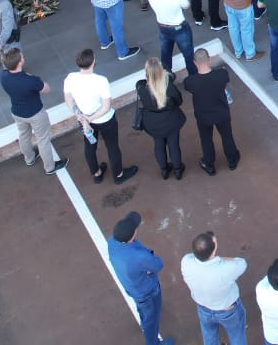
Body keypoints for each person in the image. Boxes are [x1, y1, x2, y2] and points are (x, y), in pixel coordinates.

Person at [64, 48, 137, 185]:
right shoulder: (101, 81)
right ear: (93, 62)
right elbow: (106, 107)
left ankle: (96, 174)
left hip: (84, 121)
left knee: (90, 146)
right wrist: (89, 119)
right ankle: (118, 175)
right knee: (112, 146)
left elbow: (68, 99)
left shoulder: (70, 78)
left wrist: (83, 118)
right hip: (105, 120)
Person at [107, 212, 173, 345]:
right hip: (147, 292)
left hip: (132, 288)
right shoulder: (139, 256)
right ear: (132, 235)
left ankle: (144, 320)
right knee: (151, 320)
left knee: (143, 310)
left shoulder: (112, 241)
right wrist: (147, 269)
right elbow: (158, 264)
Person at [0, 47, 66, 174]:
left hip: (17, 112)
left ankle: (29, 158)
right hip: (35, 114)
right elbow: (46, 89)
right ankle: (50, 167)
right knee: (43, 139)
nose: (23, 57)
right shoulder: (30, 80)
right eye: (22, 57)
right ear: (19, 63)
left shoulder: (3, 76)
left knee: (24, 135)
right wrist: (33, 77)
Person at [184, 49, 240, 175]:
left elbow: (188, 88)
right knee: (227, 136)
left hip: (203, 116)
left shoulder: (190, 81)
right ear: (209, 59)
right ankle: (232, 160)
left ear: (195, 62)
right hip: (221, 113)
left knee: (206, 140)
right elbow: (225, 80)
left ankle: (209, 164)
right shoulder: (222, 75)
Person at [136, 58, 187, 180]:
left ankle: (164, 170)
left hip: (153, 123)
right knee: (173, 145)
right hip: (171, 121)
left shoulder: (142, 88)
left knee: (158, 144)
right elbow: (179, 101)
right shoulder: (168, 87)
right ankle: (178, 170)